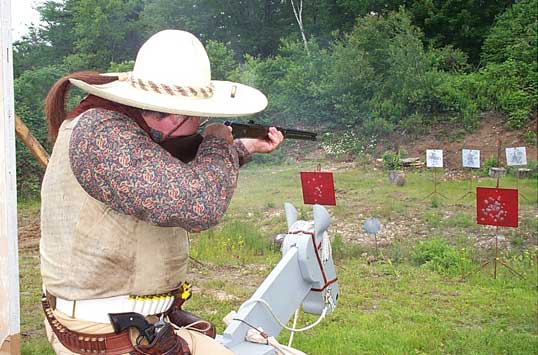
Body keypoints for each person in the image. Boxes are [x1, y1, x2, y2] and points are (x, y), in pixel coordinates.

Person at [40, 29, 284, 355]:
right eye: (197, 118)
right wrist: (216, 141)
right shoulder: (103, 134)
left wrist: (240, 147)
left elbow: (165, 177)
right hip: (108, 332)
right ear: (172, 114)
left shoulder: (115, 127)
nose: (200, 124)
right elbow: (201, 204)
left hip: (132, 325)